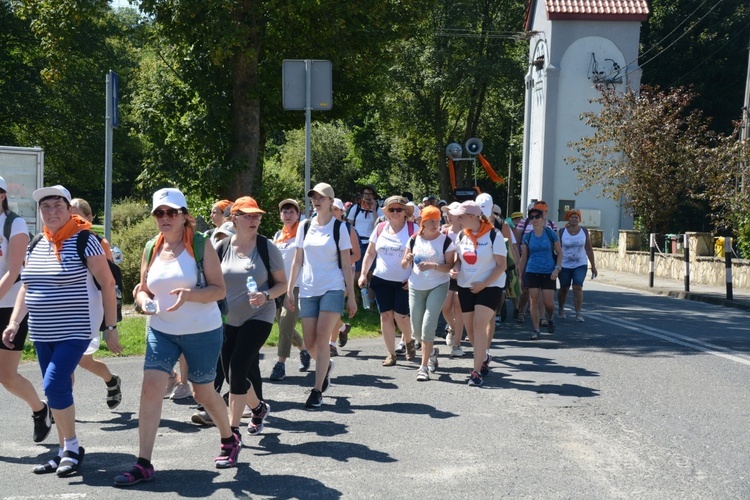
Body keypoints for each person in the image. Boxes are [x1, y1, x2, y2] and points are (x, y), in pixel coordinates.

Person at [115, 188, 238, 486]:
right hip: (162, 331)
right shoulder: (151, 247)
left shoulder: (201, 244)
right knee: (150, 389)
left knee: (202, 393)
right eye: (160, 213)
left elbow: (219, 290)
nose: (165, 218)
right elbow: (141, 287)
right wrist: (142, 301)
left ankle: (229, 437)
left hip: (203, 331)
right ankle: (143, 463)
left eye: (172, 212)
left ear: (184, 216)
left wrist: (191, 295)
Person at [3, 185, 119, 477]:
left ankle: (71, 446)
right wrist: (14, 322)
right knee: (61, 388)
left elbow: (107, 283)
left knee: (54, 386)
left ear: (69, 210)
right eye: (46, 207)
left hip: (75, 330)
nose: (51, 212)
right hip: (42, 333)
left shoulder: (85, 241)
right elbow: (27, 286)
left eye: (58, 206)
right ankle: (64, 449)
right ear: (40, 212)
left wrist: (111, 328)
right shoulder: (36, 243)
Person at [215, 196, 286, 437]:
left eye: (257, 215)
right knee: (233, 373)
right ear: (233, 218)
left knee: (237, 367)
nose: (254, 219)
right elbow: (210, 281)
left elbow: (282, 285)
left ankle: (232, 433)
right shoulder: (222, 248)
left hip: (260, 315)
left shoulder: (267, 248)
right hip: (228, 319)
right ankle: (258, 408)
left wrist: (266, 295)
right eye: (247, 215)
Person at [286, 183, 357, 408]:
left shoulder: (339, 228)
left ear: (330, 201)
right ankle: (325, 367)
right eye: (314, 197)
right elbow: (298, 260)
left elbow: (346, 265)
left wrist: (352, 296)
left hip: (332, 287)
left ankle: (317, 390)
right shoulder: (304, 226)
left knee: (322, 335)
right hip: (307, 289)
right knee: (309, 342)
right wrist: (289, 289)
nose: (316, 201)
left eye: (321, 197)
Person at [0, 177, 52, 445]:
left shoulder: (14, 224)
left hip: (9, 309)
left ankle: (40, 409)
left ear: (1, 196)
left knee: (6, 376)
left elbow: (14, 270)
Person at [69, 198, 123, 410]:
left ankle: (111, 380)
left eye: (77, 215)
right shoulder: (59, 240)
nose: (72, 220)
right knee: (69, 363)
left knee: (82, 361)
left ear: (89, 218)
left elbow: (108, 282)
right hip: (67, 311)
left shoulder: (97, 242)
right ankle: (61, 406)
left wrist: (110, 325)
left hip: (90, 310)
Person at [449, 200, 507, 387]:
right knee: (471, 330)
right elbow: (459, 260)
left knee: (479, 325)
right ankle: (483, 357)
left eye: (461, 216)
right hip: (465, 286)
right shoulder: (460, 236)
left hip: (490, 286)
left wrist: (484, 284)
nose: (457, 219)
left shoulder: (493, 235)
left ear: (473, 216)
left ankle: (476, 373)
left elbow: (501, 266)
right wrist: (455, 269)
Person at [359, 195, 417, 366]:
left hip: (404, 281)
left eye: (399, 209)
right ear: (387, 212)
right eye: (391, 210)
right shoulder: (380, 228)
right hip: (381, 278)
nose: (395, 212)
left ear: (405, 212)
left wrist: (413, 278)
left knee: (401, 317)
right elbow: (370, 253)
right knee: (386, 316)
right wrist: (363, 273)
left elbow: (421, 255)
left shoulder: (413, 229)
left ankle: (408, 340)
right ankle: (391, 354)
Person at [401, 206, 455, 381]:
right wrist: (407, 259)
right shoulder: (413, 239)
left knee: (428, 326)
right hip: (416, 286)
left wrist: (434, 266)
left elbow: (450, 266)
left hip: (438, 285)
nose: (435, 224)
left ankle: (423, 367)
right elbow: (403, 265)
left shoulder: (446, 241)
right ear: (422, 222)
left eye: (437, 220)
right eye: (431, 220)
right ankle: (432, 352)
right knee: (416, 331)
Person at [269, 199, 310, 381]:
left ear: (298, 214)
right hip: (278, 286)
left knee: (286, 322)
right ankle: (304, 350)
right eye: (284, 211)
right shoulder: (278, 235)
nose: (287, 215)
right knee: (285, 325)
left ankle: (280, 364)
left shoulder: (303, 234)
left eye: (291, 211)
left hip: (296, 286)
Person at [517, 202, 563, 340]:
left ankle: (550, 317)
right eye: (531, 217)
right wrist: (520, 276)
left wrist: (557, 269)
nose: (534, 219)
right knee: (534, 301)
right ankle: (536, 330)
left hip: (549, 271)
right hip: (532, 271)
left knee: (549, 303)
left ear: (543, 219)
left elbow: (560, 253)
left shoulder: (550, 234)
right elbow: (523, 258)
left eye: (537, 216)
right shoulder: (528, 237)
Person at [329, 198, 361, 356]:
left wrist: (342, 262)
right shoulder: (323, 228)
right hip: (327, 272)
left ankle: (331, 344)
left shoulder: (348, 228)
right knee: (328, 308)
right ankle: (342, 327)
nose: (332, 212)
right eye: (330, 209)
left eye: (335, 209)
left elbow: (356, 254)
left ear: (342, 212)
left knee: (335, 308)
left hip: (344, 272)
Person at [557, 209, 597, 321]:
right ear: (568, 219)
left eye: (576, 217)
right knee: (564, 288)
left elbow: (589, 249)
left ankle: (578, 313)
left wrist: (593, 265)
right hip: (564, 264)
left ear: (579, 219)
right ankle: (561, 308)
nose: (574, 219)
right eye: (572, 217)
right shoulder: (561, 231)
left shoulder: (584, 231)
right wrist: (557, 265)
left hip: (580, 264)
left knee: (577, 286)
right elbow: (557, 249)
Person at [346, 185, 382, 307]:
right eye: (365, 194)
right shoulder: (355, 208)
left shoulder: (378, 209)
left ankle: (370, 302)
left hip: (372, 243)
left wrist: (373, 210)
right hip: (357, 242)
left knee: (371, 273)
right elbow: (349, 225)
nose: (367, 197)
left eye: (370, 195)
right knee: (356, 273)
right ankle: (357, 295)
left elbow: (379, 225)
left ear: (374, 196)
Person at [440, 202, 464, 357]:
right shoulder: (443, 232)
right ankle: (454, 328)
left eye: (451, 212)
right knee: (445, 308)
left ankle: (457, 344)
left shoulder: (467, 232)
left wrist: (458, 267)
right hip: (445, 274)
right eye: (447, 212)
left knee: (458, 307)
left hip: (463, 274)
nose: (448, 215)